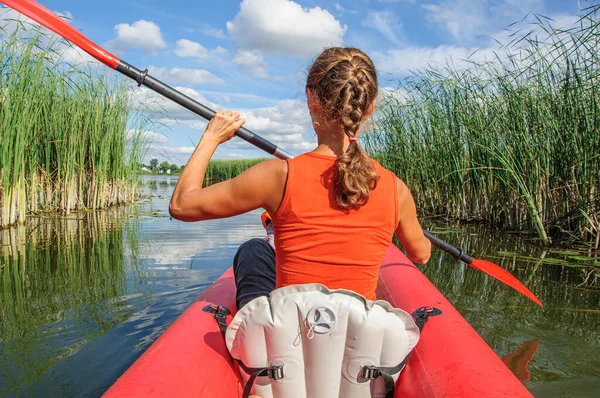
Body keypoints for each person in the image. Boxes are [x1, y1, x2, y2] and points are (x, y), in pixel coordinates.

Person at [169, 47, 431, 311]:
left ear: (310, 98)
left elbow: (181, 205)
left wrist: (211, 138)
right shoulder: (395, 188)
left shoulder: (276, 176)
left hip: (288, 338)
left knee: (253, 251)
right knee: (256, 251)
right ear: (370, 107)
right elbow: (421, 254)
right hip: (354, 340)